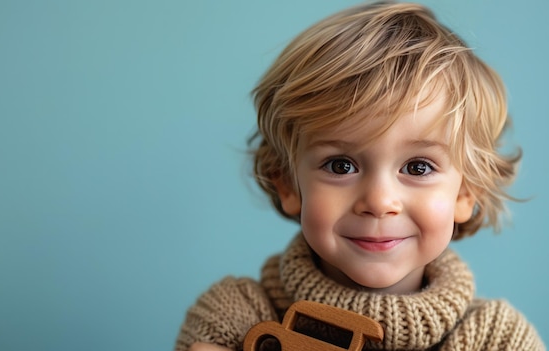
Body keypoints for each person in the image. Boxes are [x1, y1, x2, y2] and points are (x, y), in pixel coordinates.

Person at [176, 2, 545, 350]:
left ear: (466, 193)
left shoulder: (499, 339)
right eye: (341, 166)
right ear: (287, 183)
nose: (380, 201)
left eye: (418, 167)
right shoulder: (234, 318)